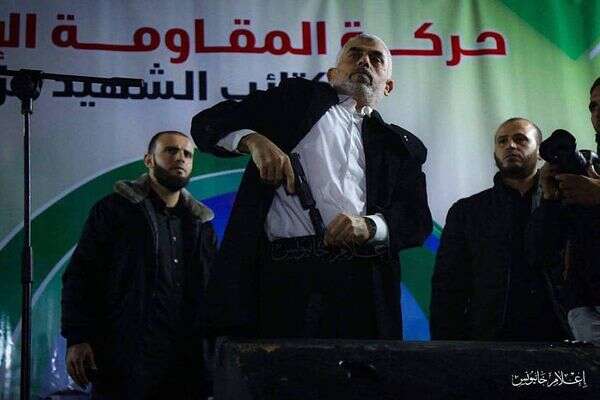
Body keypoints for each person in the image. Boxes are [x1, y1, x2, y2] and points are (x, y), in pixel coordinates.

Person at [191, 34, 432, 339]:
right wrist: (252, 140)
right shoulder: (294, 101)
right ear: (332, 75)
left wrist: (370, 226)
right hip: (283, 280)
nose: (364, 61)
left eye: (376, 58)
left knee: (360, 370)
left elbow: (416, 221)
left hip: (362, 288)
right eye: (354, 54)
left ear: (388, 86)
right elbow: (208, 123)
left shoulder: (401, 147)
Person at [61, 131, 217, 399]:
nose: (180, 158)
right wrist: (78, 337)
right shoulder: (114, 210)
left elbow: (214, 290)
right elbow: (82, 275)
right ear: (149, 160)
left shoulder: (201, 225)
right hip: (124, 360)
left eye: (187, 154)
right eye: (170, 150)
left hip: (186, 365)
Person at [430, 118, 570, 341]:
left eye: (520, 139)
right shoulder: (467, 212)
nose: (510, 145)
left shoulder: (567, 204)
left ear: (541, 152)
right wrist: (447, 347)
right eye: (502, 141)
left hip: (561, 333)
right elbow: (447, 286)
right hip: (489, 338)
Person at [533, 79, 600, 344]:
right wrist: (549, 199)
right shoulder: (585, 172)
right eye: (593, 106)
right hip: (585, 308)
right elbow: (539, 252)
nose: (597, 112)